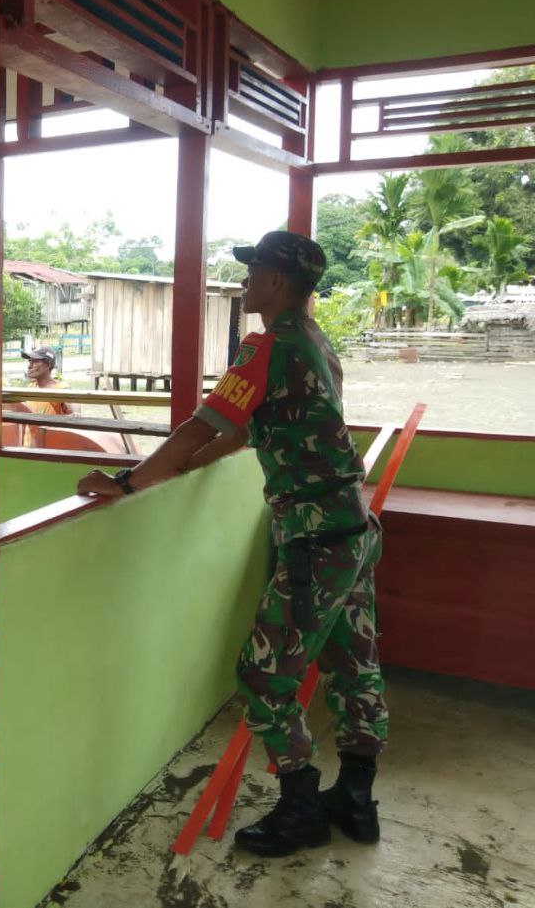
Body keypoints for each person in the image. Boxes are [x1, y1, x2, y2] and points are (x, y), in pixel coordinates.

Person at [75, 231, 386, 858]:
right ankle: (356, 798)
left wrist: (129, 481)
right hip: (354, 526)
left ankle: (300, 808)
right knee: (353, 664)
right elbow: (242, 434)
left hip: (315, 538)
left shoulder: (266, 347)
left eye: (253, 272)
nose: (245, 282)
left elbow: (203, 424)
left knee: (264, 675)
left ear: (276, 281)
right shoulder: (316, 342)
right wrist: (177, 469)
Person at [17, 346, 71, 446]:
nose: (29, 366)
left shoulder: (61, 389)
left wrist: (76, 413)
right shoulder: (30, 388)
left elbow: (75, 411)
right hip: (29, 447)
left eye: (35, 361)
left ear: (47, 364)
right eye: (30, 361)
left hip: (49, 448)